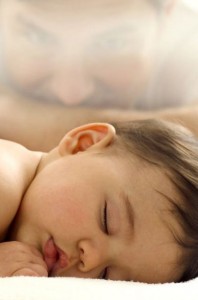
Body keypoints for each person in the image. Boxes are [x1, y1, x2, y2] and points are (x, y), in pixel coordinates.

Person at [0, 119, 198, 283]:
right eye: (106, 219)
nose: (91, 259)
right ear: (83, 144)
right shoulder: (6, 181)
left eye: (106, 275)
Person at [0, 0, 197, 109]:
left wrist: (14, 117)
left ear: (165, 18)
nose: (70, 95)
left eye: (112, 44)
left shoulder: (188, 42)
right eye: (37, 38)